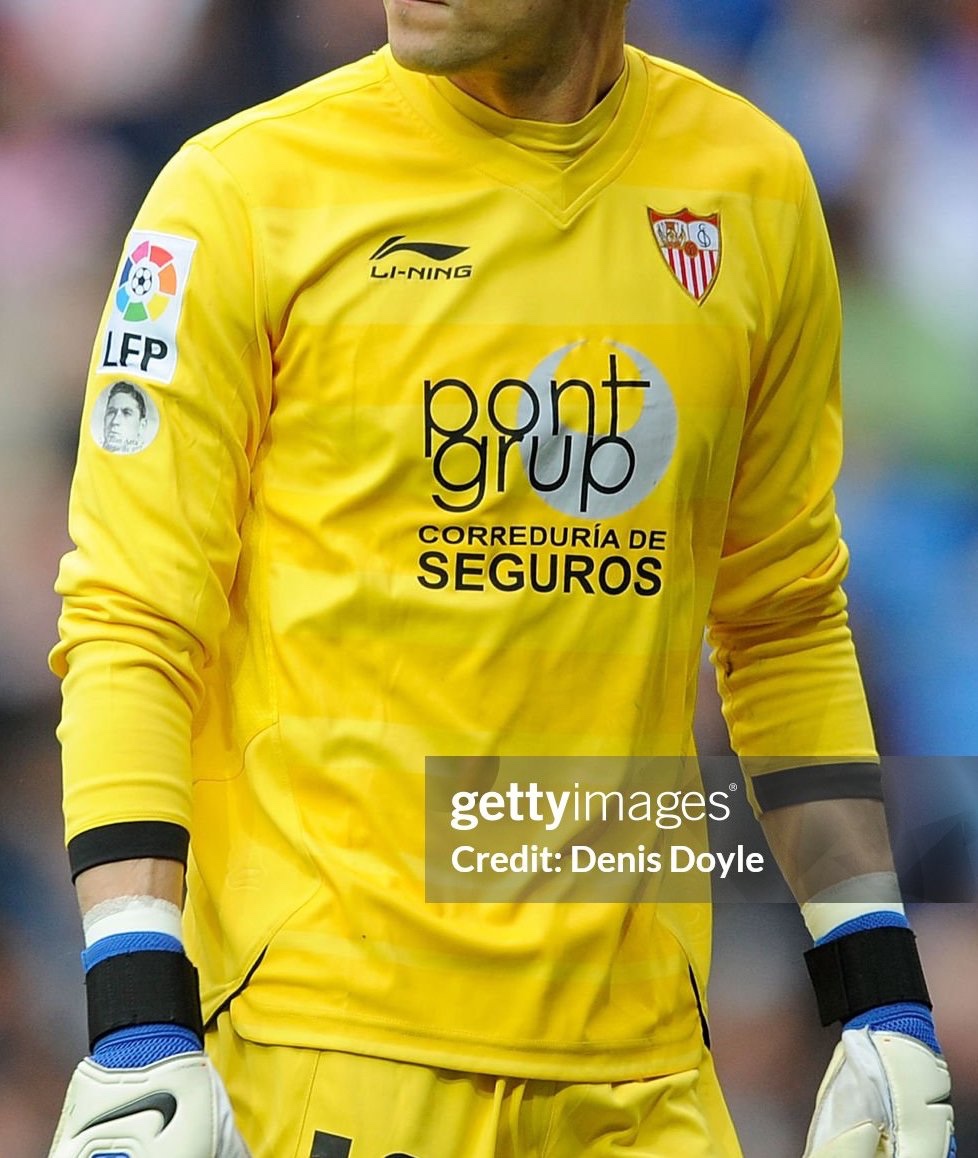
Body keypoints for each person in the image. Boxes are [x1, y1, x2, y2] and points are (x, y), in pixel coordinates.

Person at [48, 2, 956, 1155]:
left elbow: (781, 620)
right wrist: (133, 1019)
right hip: (327, 1057)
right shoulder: (236, 195)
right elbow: (131, 620)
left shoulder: (756, 190)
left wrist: (878, 989)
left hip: (649, 1079)